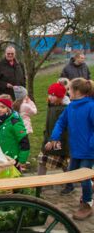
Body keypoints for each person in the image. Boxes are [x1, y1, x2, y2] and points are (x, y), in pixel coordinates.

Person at [46, 78, 94, 220]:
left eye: (69, 90)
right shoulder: (71, 107)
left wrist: (91, 144)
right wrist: (54, 137)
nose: (68, 93)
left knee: (83, 177)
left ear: (77, 91)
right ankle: (90, 185)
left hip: (88, 151)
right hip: (75, 149)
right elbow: (61, 122)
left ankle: (87, 203)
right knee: (71, 174)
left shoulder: (91, 106)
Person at [37, 83, 69, 178]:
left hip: (58, 142)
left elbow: (63, 129)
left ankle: (71, 184)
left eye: (53, 95)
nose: (50, 97)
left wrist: (52, 141)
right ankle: (38, 184)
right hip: (49, 141)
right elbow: (49, 126)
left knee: (64, 163)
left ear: (61, 96)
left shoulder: (63, 109)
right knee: (42, 161)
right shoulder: (52, 106)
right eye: (49, 94)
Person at [0, 94, 30, 172]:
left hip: (14, 160)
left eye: (3, 107)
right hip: (4, 158)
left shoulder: (14, 122)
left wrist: (22, 160)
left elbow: (24, 141)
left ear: (8, 108)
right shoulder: (1, 121)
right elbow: (0, 135)